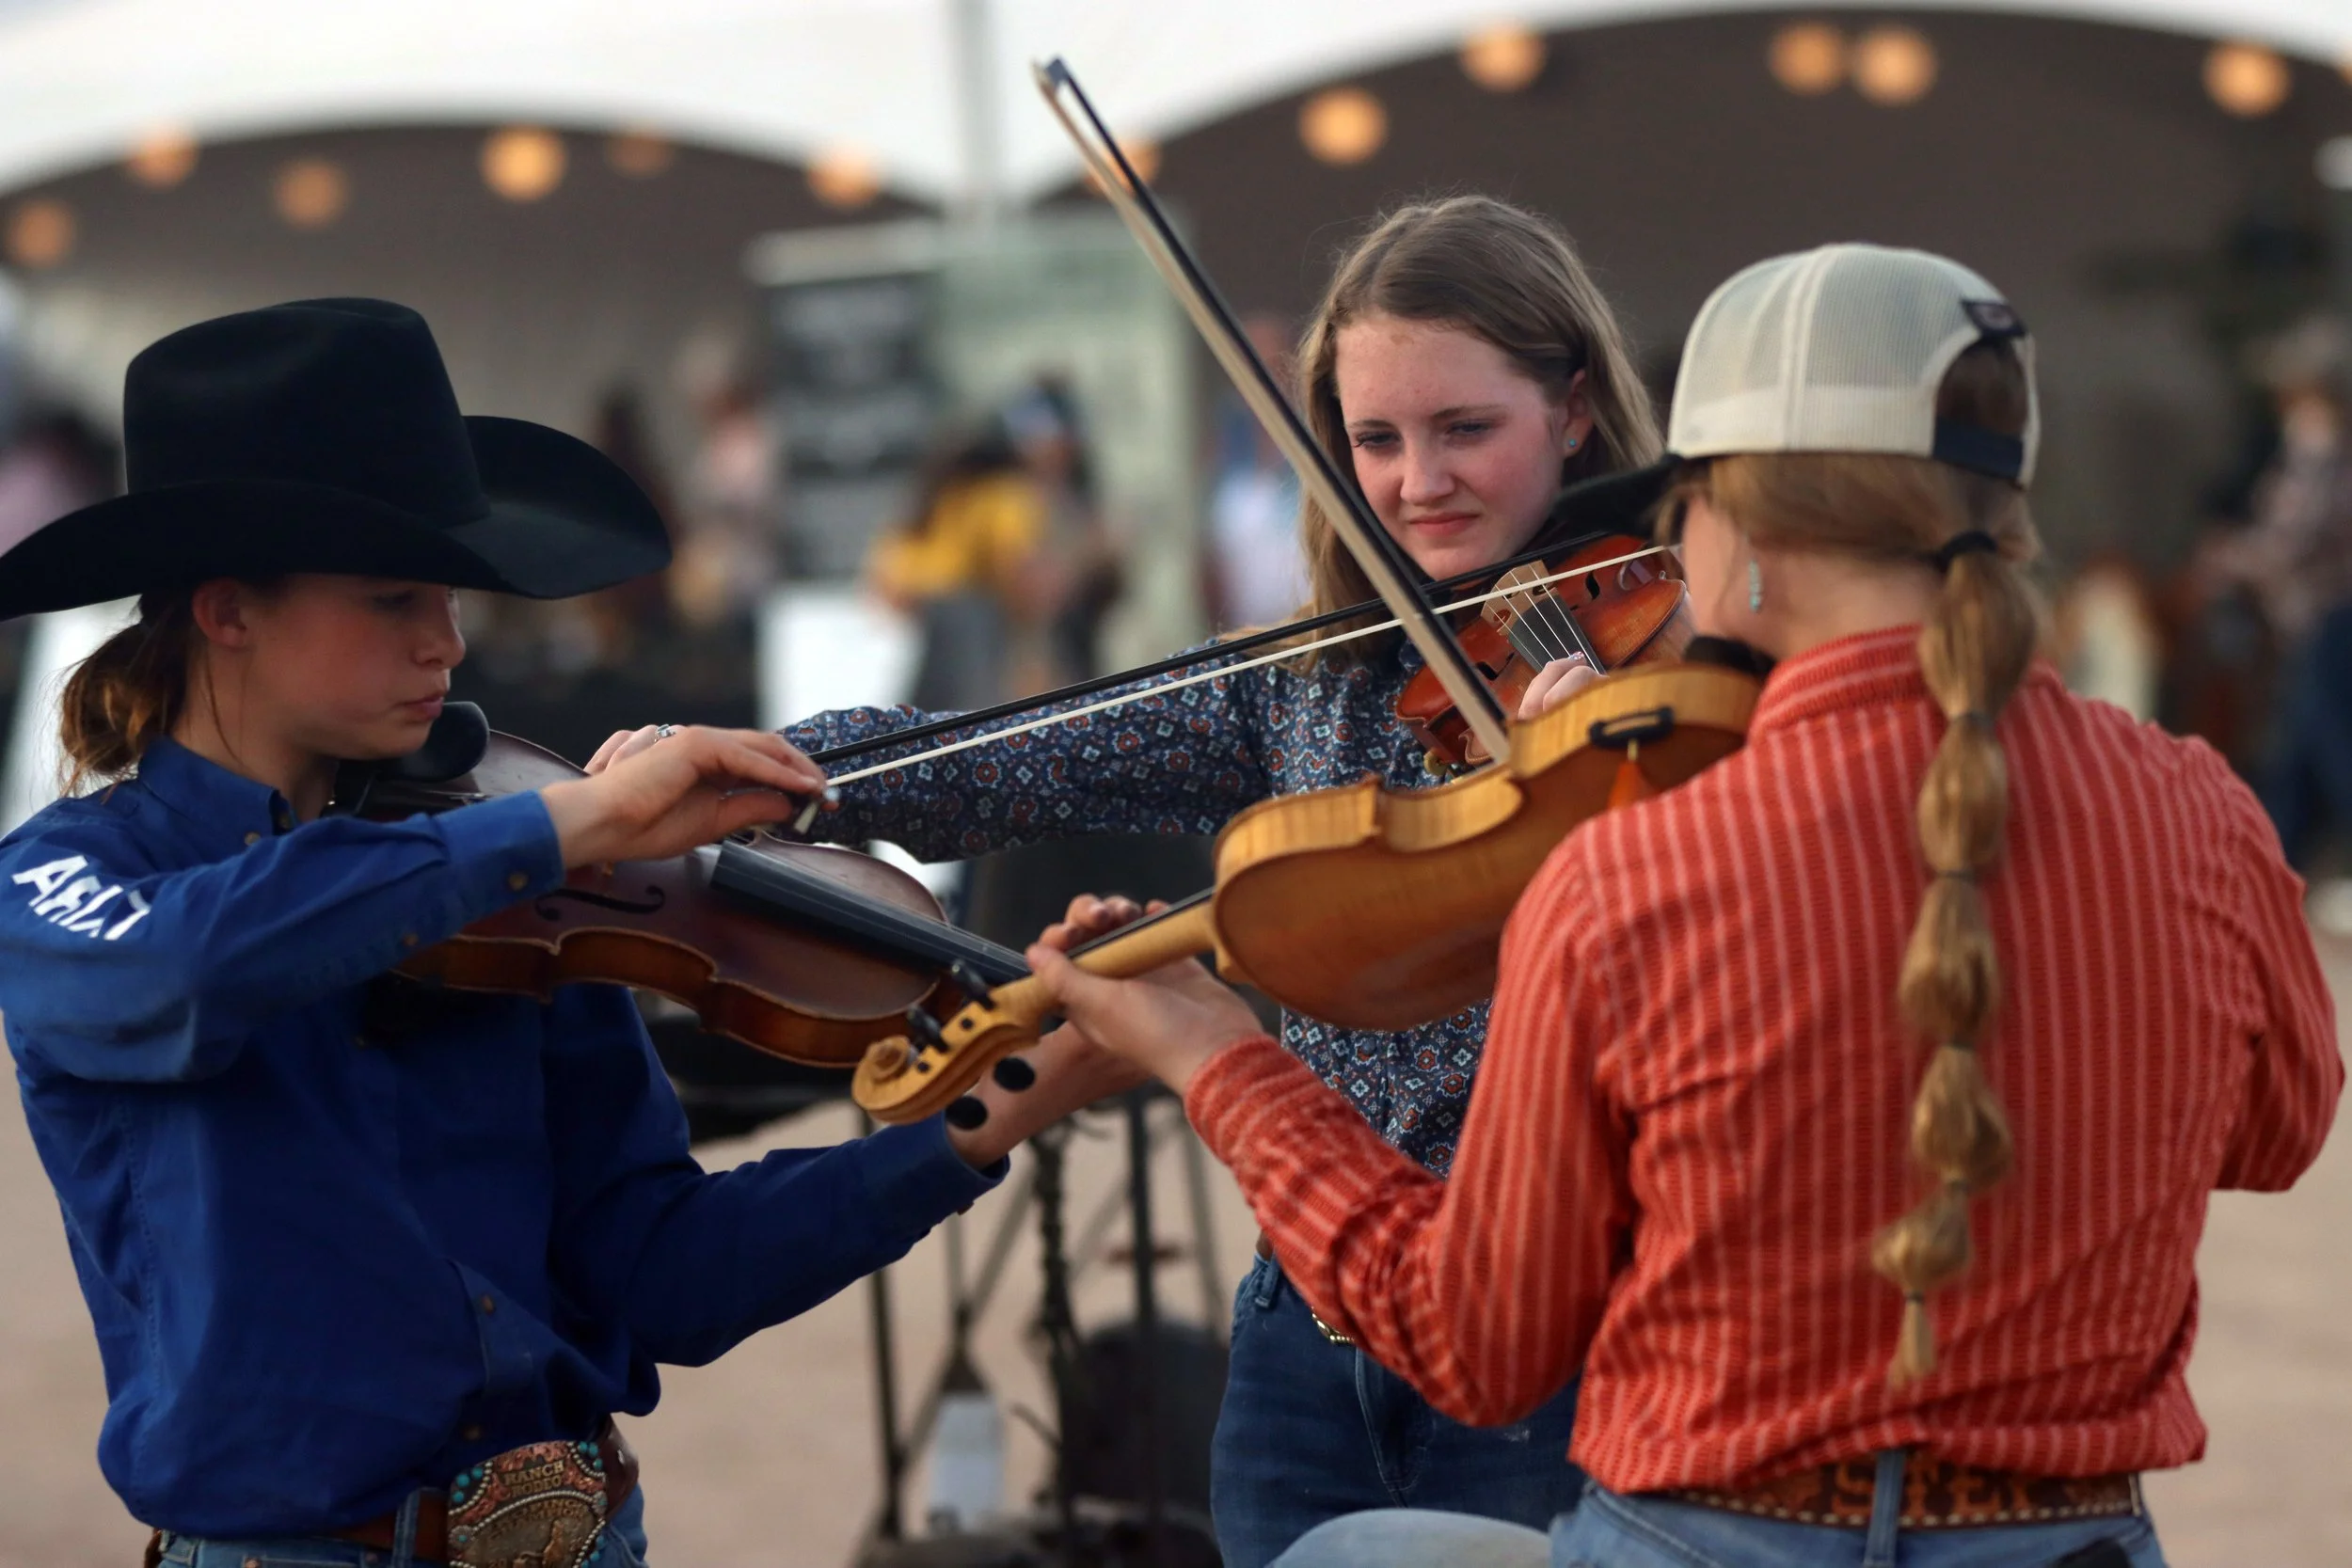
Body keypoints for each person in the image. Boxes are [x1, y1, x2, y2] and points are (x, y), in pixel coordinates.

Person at [1021, 245, 2344, 1567]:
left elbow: (1473, 1346)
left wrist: (1217, 1054)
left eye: (1680, 506)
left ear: (1741, 526)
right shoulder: (2201, 810)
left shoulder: (1628, 870)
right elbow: (2279, 1130)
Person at [600, 195, 1661, 1565]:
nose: (1416, 482)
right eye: (1375, 439)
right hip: (1308, 1330)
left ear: (1574, 411)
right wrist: (778, 773)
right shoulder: (1308, 682)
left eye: (1467, 430)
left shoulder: (1662, 681)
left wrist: (1617, 801)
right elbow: (1013, 759)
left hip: (1551, 1329)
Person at [0, 299, 1129, 1568]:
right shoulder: (68, 879)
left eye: (448, 592)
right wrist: (570, 824)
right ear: (226, 610)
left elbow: (662, 1274)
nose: (448, 638)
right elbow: (197, 962)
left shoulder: (526, 888)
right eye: (392, 596)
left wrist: (975, 1124)